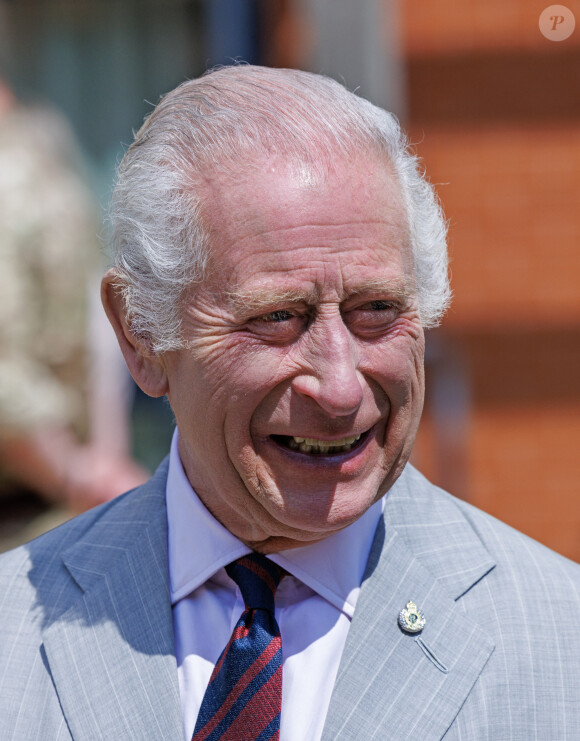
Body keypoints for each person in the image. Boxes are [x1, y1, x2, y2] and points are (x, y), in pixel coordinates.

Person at [0, 65, 579, 741]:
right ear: (142, 336)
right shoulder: (16, 628)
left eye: (378, 310)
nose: (339, 387)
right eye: (277, 317)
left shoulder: (557, 640)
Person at [0, 75, 147, 527]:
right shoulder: (22, 168)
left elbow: (97, 316)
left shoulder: (28, 155)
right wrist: (80, 473)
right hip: (40, 499)